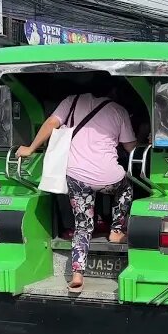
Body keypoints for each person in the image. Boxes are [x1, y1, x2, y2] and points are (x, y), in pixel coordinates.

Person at [17, 82, 138, 293]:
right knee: (126, 187)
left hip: (76, 175)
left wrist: (30, 148)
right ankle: (117, 231)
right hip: (106, 176)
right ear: (113, 91)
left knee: (83, 225)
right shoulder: (119, 110)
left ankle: (77, 276)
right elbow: (130, 148)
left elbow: (50, 124)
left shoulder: (70, 101)